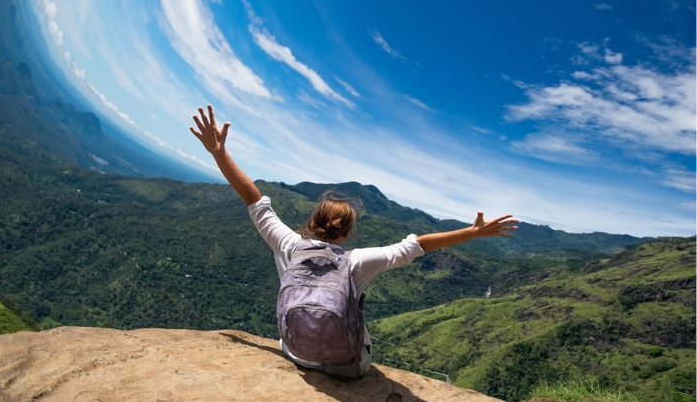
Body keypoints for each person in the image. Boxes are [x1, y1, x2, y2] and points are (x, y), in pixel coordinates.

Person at [190, 105, 518, 378]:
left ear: (311, 222)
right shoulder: (357, 263)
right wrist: (473, 232)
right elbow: (416, 245)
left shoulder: (289, 246)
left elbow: (255, 200)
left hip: (294, 352)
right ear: (345, 234)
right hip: (346, 368)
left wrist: (219, 153)